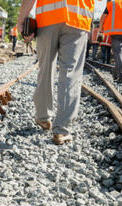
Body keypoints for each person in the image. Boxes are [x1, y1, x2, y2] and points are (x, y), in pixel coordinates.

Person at [17, 0, 94, 145]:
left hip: (48, 19)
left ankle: (43, 116)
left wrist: (21, 21)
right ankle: (61, 129)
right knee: (70, 73)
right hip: (78, 20)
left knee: (45, 68)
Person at [100, 0, 122, 82]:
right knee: (119, 54)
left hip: (116, 33)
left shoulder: (112, 3)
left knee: (118, 53)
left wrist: (100, 29)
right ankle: (116, 73)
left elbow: (103, 17)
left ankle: (120, 75)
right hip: (116, 33)